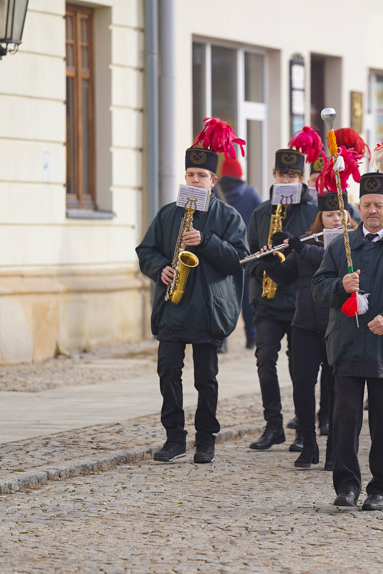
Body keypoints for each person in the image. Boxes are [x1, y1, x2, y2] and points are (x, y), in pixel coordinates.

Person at [136, 118, 249, 464]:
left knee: (206, 378)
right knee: (168, 371)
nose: (195, 180)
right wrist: (161, 269)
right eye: (190, 175)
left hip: (207, 309)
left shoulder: (229, 217)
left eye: (201, 176)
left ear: (213, 181)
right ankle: (174, 438)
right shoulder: (170, 214)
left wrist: (208, 241)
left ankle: (206, 438)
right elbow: (146, 251)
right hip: (173, 306)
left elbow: (240, 260)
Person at [312, 172, 383, 511]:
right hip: (347, 342)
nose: (372, 210)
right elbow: (319, 288)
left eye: (379, 205)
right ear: (358, 207)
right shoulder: (341, 245)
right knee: (346, 419)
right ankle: (347, 485)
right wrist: (339, 286)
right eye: (366, 205)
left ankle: (380, 488)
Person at [257, 193, 358, 469]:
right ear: (320, 218)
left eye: (340, 214)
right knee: (302, 384)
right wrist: (270, 259)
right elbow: (287, 276)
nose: (336, 218)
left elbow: (327, 260)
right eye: (329, 215)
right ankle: (308, 445)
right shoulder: (308, 240)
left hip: (335, 326)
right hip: (304, 323)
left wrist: (299, 247)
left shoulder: (351, 244)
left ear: (347, 215)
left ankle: (333, 449)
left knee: (334, 386)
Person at [245, 149, 318, 452]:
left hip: (301, 301)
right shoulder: (262, 212)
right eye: (281, 175)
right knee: (265, 360)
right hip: (268, 301)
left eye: (292, 176)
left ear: (302, 180)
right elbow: (247, 255)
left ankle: (303, 427)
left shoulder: (314, 211)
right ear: (274, 177)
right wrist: (263, 261)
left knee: (300, 368)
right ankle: (273, 425)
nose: (285, 180)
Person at [216, 157, 262, 351]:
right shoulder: (251, 193)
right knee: (247, 297)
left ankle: (222, 340)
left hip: (219, 253)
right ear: (240, 174)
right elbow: (260, 220)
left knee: (221, 297)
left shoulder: (214, 191)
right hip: (245, 253)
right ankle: (251, 336)